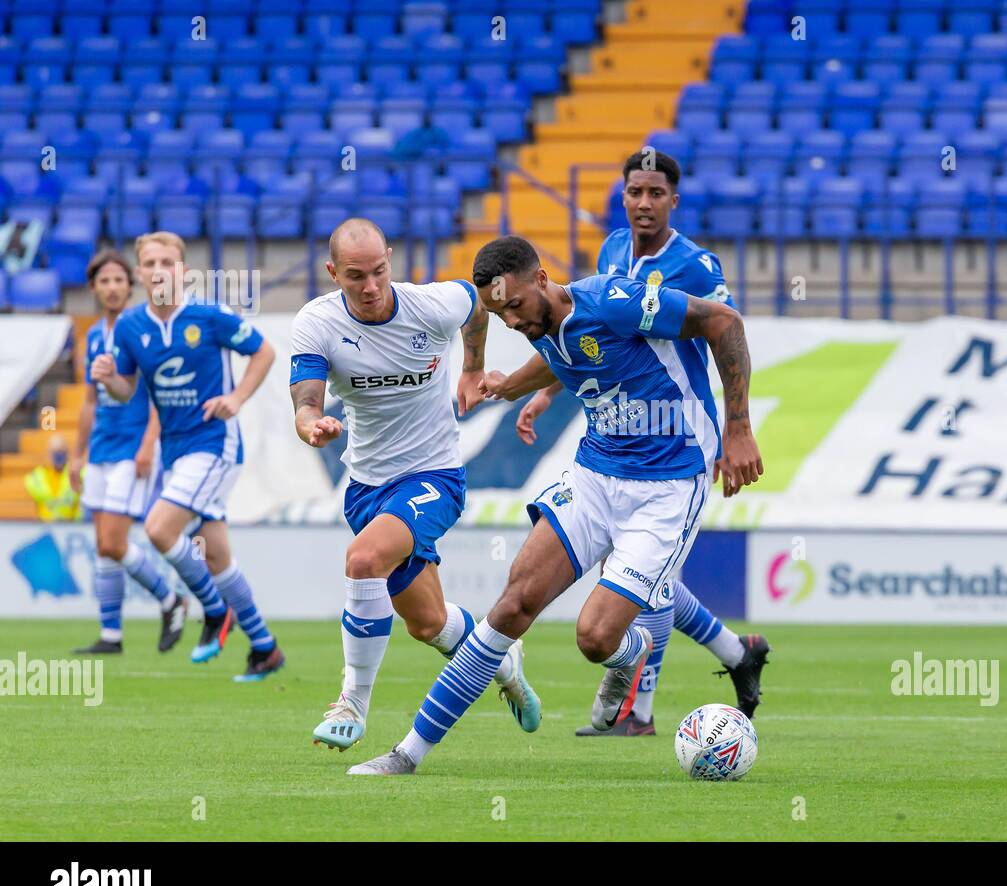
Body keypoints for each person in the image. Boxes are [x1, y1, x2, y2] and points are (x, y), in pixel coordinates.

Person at [346, 234, 762, 775]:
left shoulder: (614, 301)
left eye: (515, 305)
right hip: (595, 475)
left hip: (669, 485)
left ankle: (625, 651)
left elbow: (723, 322)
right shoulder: (540, 323)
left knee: (594, 638)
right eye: (499, 314)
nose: (512, 322)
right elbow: (560, 357)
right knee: (513, 605)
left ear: (542, 279)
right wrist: (511, 389)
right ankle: (407, 754)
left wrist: (738, 428)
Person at [508, 150, 769, 736]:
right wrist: (548, 393)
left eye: (656, 192)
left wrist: (738, 427)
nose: (644, 202)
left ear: (674, 200)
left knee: (634, 579)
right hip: (622, 437)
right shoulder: (609, 254)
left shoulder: (696, 266)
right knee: (636, 574)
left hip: (677, 437)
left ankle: (638, 712)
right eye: (635, 192)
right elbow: (589, 338)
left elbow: (727, 329)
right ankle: (735, 653)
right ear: (622, 197)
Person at [289, 218, 539, 751]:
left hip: (434, 478)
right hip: (367, 488)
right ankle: (502, 658)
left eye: (379, 271)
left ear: (391, 260)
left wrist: (473, 368)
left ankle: (352, 704)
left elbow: (477, 307)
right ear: (334, 273)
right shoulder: (317, 323)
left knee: (362, 561)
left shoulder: (434, 303)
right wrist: (311, 423)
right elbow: (306, 400)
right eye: (355, 276)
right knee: (427, 624)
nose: (371, 286)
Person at [89, 231, 284, 682]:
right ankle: (264, 648)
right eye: (151, 263)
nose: (159, 270)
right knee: (216, 557)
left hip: (215, 444)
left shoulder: (209, 315)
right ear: (141, 273)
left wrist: (235, 397)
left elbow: (264, 352)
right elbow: (127, 388)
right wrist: (107, 379)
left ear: (183, 270)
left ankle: (214, 612)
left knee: (158, 528)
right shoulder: (132, 327)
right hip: (175, 450)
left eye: (168, 262)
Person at [69, 249, 187, 655]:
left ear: (129, 284)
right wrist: (76, 454)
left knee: (114, 542)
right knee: (103, 544)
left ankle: (170, 600)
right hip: (101, 447)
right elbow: (89, 400)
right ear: (94, 288)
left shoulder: (142, 328)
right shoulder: (92, 337)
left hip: (132, 448)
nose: (113, 287)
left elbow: (158, 392)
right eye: (105, 281)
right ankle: (111, 635)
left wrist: (148, 443)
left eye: (120, 279)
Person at [25, 434, 81, 522]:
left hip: (72, 526)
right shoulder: (35, 477)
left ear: (67, 452)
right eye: (55, 451)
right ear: (48, 453)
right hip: (46, 527)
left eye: (62, 451)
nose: (58, 455)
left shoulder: (78, 474)